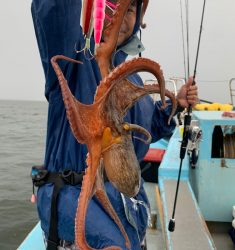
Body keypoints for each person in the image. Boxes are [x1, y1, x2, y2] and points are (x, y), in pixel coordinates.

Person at [31, 0, 198, 249]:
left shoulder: (133, 77)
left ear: (140, 19)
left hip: (131, 216)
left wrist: (178, 104)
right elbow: (54, 9)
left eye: (130, 8)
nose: (119, 16)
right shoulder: (72, 58)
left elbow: (148, 128)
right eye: (111, 5)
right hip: (77, 214)